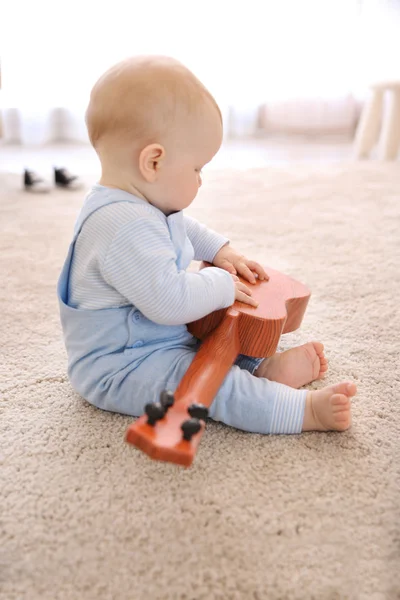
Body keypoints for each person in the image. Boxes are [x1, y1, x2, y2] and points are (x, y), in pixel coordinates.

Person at [57, 55, 356, 436]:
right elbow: (170, 301)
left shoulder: (139, 203)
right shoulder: (121, 227)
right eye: (197, 168)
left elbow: (182, 227)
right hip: (120, 366)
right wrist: (219, 283)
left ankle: (263, 370)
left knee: (216, 338)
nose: (202, 180)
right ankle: (301, 412)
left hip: (157, 343)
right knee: (207, 385)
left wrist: (219, 251)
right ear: (154, 162)